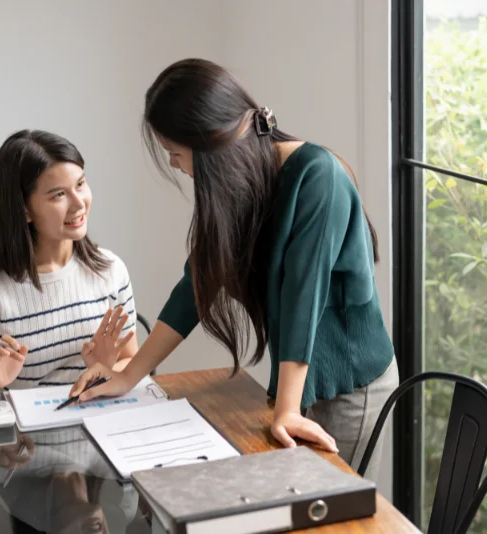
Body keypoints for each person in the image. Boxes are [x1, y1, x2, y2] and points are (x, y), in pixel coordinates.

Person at [72, 58, 399, 478]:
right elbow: (197, 282)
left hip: (353, 386)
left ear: (213, 140)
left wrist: (286, 408)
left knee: (325, 512)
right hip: (297, 384)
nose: (174, 165)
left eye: (176, 153)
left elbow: (305, 295)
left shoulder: (319, 177)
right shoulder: (245, 182)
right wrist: (129, 376)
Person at [0, 129, 136, 398]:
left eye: (80, 184)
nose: (78, 204)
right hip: (26, 438)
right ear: (24, 209)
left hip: (100, 427)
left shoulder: (111, 270)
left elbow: (131, 361)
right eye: (59, 194)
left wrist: (104, 368)